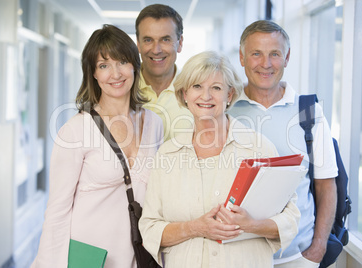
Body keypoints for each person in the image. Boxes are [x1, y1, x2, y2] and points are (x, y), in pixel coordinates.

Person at [139, 51, 300, 268]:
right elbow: (149, 228)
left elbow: (290, 218)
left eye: (216, 88)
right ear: (184, 94)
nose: (206, 96)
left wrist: (252, 225)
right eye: (197, 86)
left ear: (230, 95)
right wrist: (195, 228)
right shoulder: (167, 154)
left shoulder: (259, 147)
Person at [31, 24, 163, 268]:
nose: (115, 74)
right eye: (104, 65)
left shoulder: (154, 123)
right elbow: (57, 212)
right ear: (93, 73)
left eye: (122, 61)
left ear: (135, 64)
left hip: (139, 256)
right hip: (89, 258)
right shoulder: (75, 131)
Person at [228, 20, 338, 268]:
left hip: (297, 257)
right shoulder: (226, 108)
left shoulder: (309, 112)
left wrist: (317, 250)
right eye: (256, 53)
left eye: (274, 54)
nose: (266, 64)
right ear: (242, 57)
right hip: (237, 256)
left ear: (287, 58)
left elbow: (325, 185)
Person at [135, 4, 193, 141]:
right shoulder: (120, 89)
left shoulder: (197, 93)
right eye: (148, 40)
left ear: (180, 43)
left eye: (165, 39)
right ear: (138, 44)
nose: (156, 50)